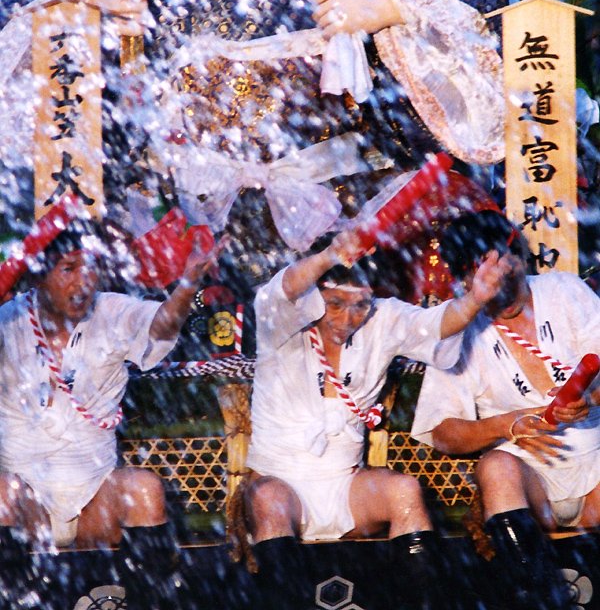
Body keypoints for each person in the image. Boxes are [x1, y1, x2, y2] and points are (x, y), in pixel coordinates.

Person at [0, 0, 506, 300]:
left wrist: (387, 6)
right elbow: (18, 6)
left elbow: (483, 2)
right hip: (190, 220)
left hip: (331, 214)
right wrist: (93, 4)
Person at [236, 223, 512, 610]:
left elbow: (435, 326)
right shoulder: (284, 319)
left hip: (345, 484)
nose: (348, 318)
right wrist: (329, 256)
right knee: (270, 499)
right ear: (315, 296)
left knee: (404, 491)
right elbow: (282, 289)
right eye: (335, 304)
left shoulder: (382, 318)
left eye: (360, 305)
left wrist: (475, 299)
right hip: (278, 482)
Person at [0, 217, 225, 609]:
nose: (83, 282)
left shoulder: (112, 310)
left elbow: (161, 326)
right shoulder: (8, 321)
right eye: (69, 269)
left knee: (144, 490)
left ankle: (152, 602)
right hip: (27, 502)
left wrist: (189, 283)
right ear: (38, 276)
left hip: (94, 493)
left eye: (91, 269)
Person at [411, 210, 600, 610]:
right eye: (479, 274)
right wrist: (506, 424)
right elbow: (441, 432)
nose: (495, 283)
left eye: (500, 266)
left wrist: (591, 399)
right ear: (465, 281)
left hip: (594, 460)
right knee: (496, 466)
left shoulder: (565, 291)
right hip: (530, 480)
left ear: (518, 254)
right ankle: (538, 600)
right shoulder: (459, 328)